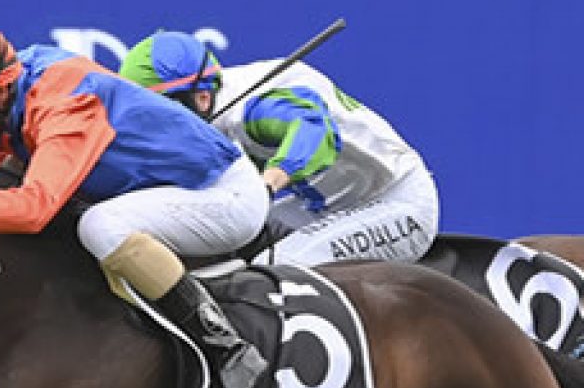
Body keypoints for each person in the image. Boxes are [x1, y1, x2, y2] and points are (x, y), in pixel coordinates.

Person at [0, 16, 270, 388]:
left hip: (222, 197)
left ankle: (225, 350)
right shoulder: (14, 90)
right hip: (167, 193)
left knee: (99, 226)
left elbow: (32, 210)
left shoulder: (65, 102)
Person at [118, 31, 440, 269]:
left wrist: (269, 182)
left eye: (160, 110)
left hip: (395, 203)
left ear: (201, 97)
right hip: (323, 207)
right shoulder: (204, 102)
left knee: (278, 266)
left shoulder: (252, 111)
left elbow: (314, 130)